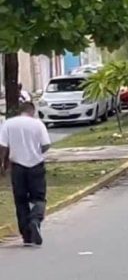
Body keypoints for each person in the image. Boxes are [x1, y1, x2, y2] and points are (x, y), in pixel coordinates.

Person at [0, 102, 51, 246]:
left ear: (19, 111)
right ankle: (35, 219)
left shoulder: (8, 124)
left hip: (17, 167)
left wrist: (3, 164)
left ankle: (27, 236)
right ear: (32, 111)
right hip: (36, 165)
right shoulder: (38, 124)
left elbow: (2, 146)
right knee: (39, 197)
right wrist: (36, 152)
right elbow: (46, 144)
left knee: (20, 200)